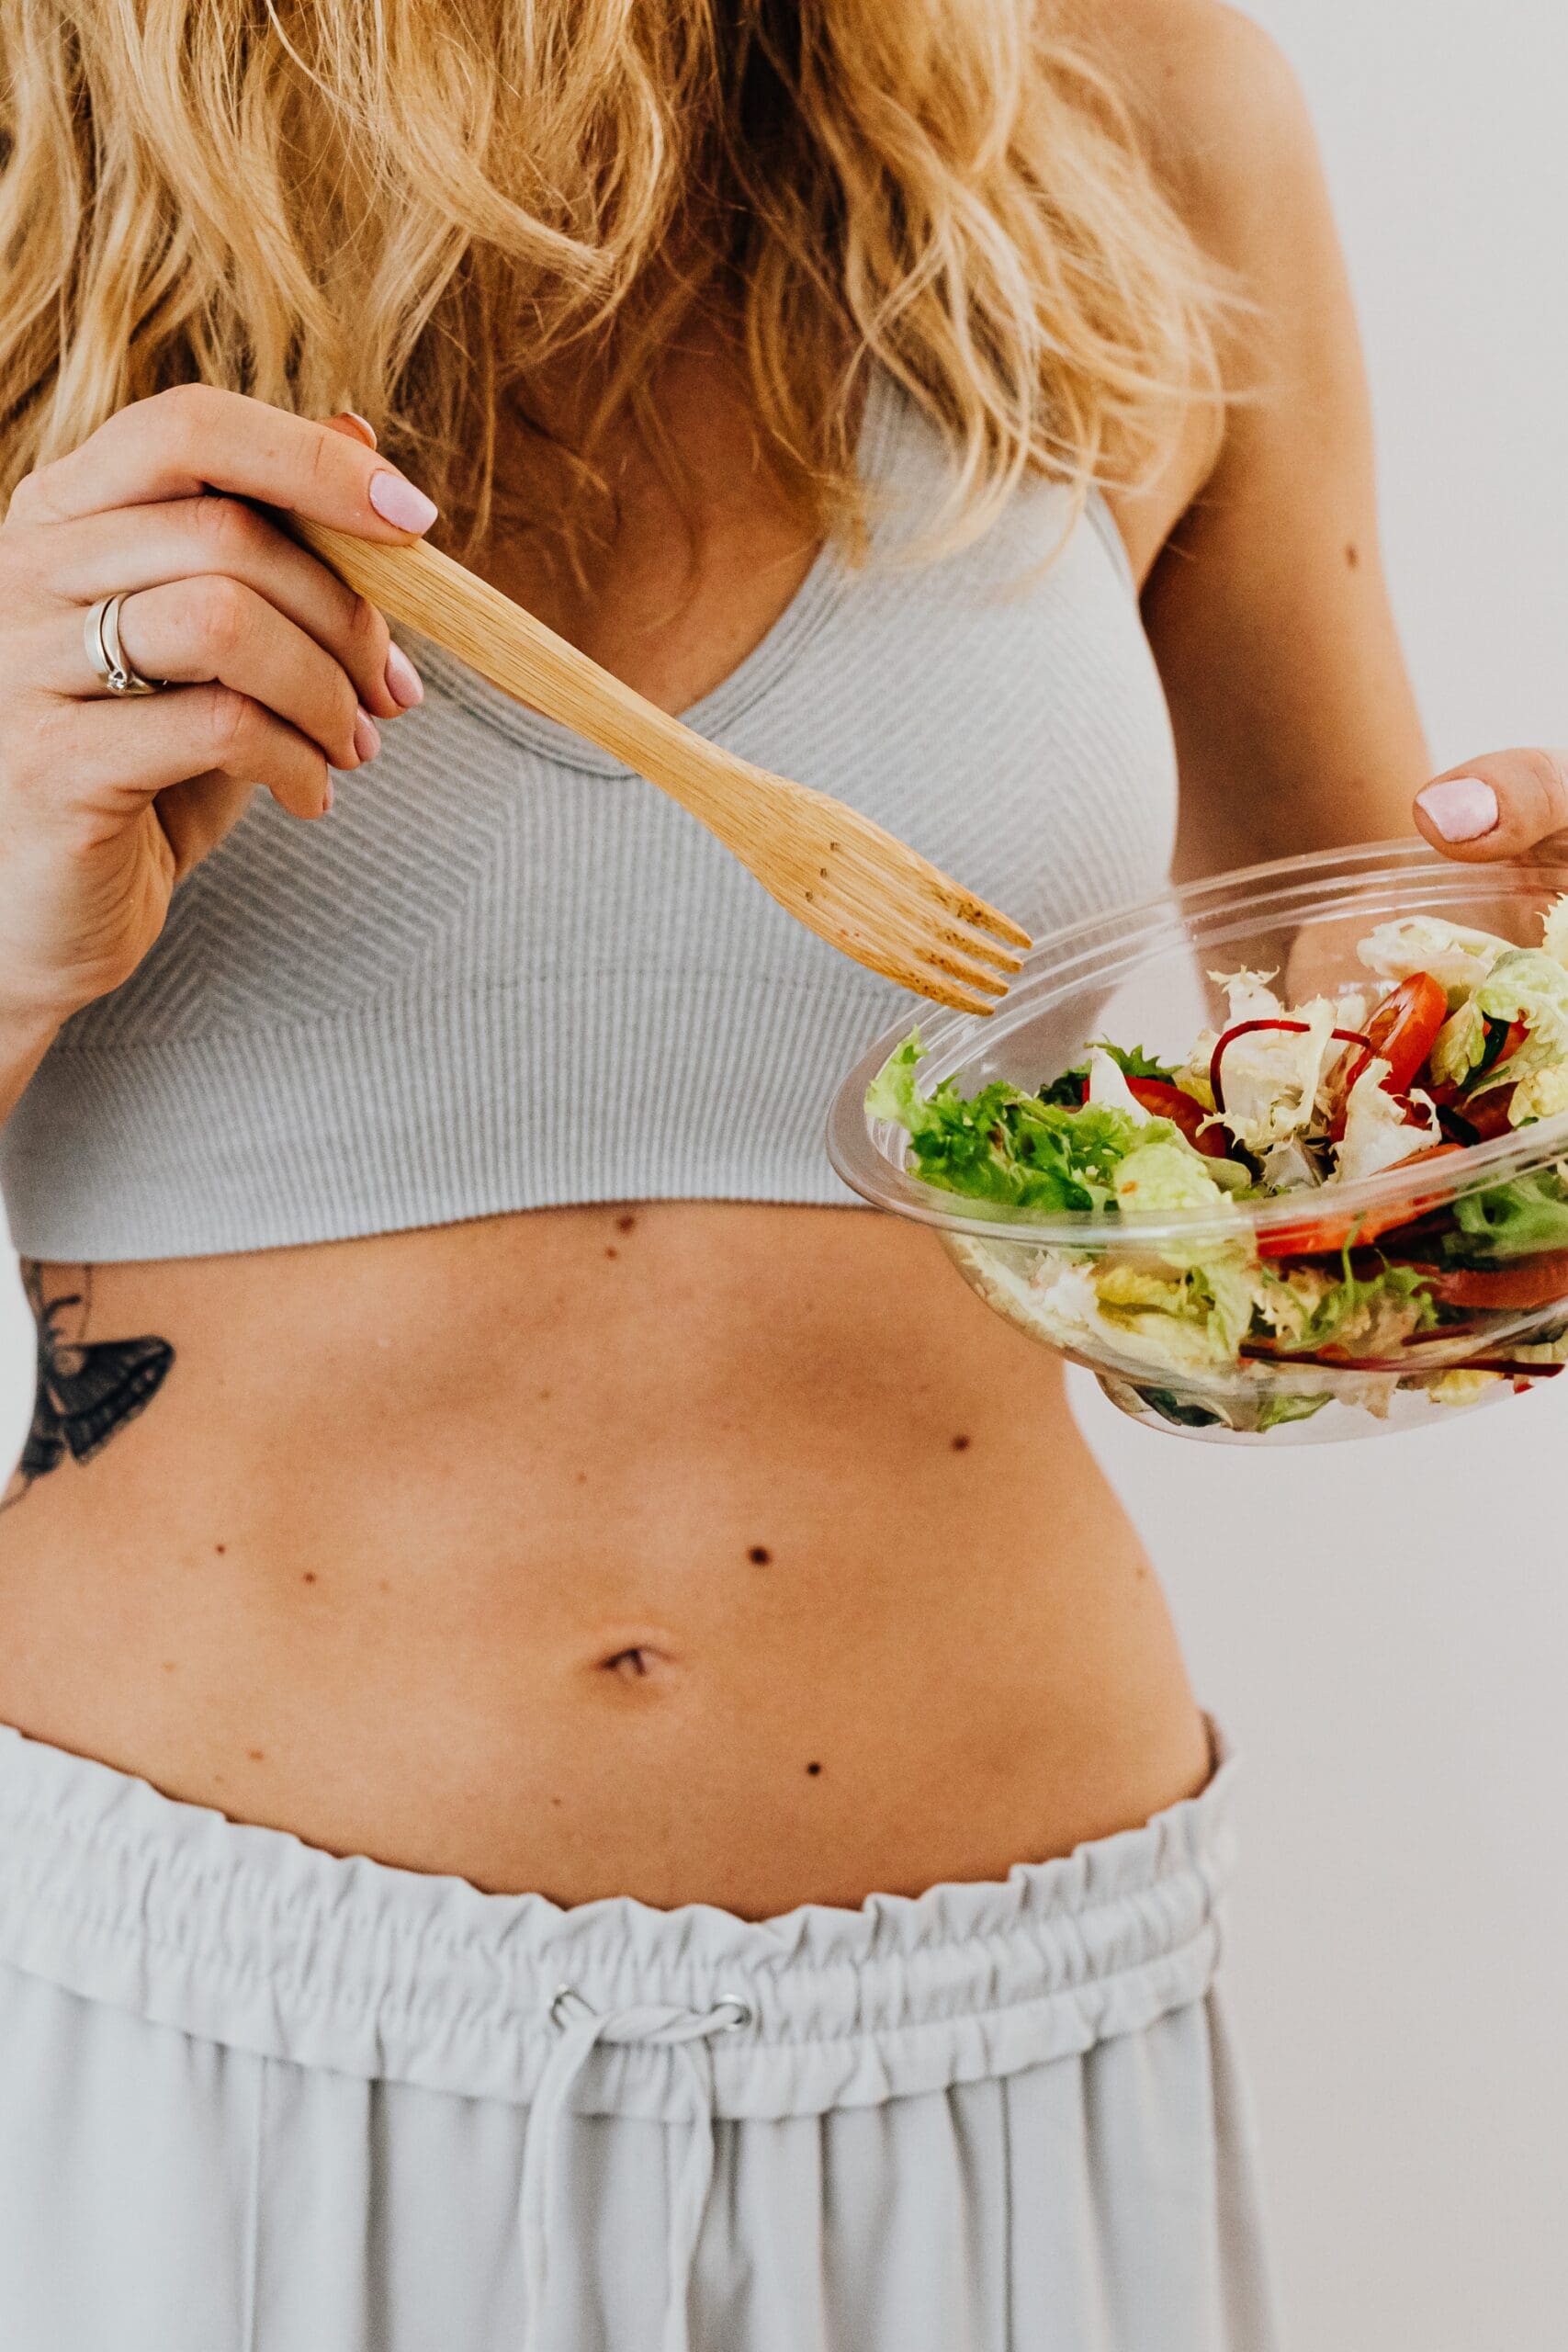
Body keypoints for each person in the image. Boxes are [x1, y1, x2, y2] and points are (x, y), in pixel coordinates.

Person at [0, 2, 1558, 2345]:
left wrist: (1505, 1084)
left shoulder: (1137, 110)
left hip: (1008, 2034)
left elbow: (1373, 1151)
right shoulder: (33, 148)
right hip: (188, 2025)